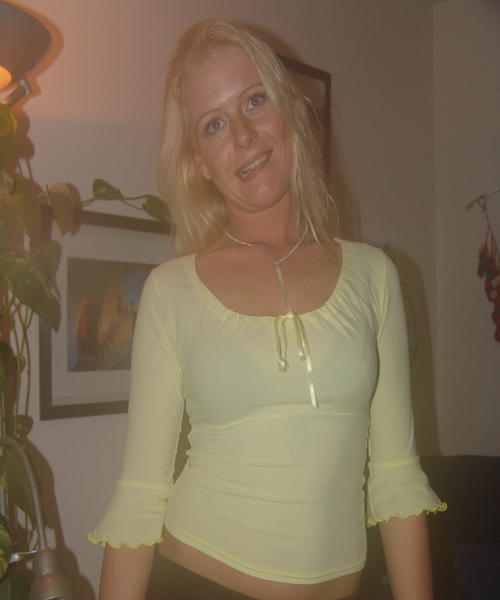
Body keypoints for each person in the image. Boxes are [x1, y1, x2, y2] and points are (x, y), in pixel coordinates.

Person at [89, 20, 446, 600]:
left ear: (290, 110)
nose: (244, 134)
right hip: (198, 583)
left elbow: (397, 479)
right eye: (214, 124)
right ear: (199, 162)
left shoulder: (375, 274)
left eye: (255, 100)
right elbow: (140, 496)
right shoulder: (171, 290)